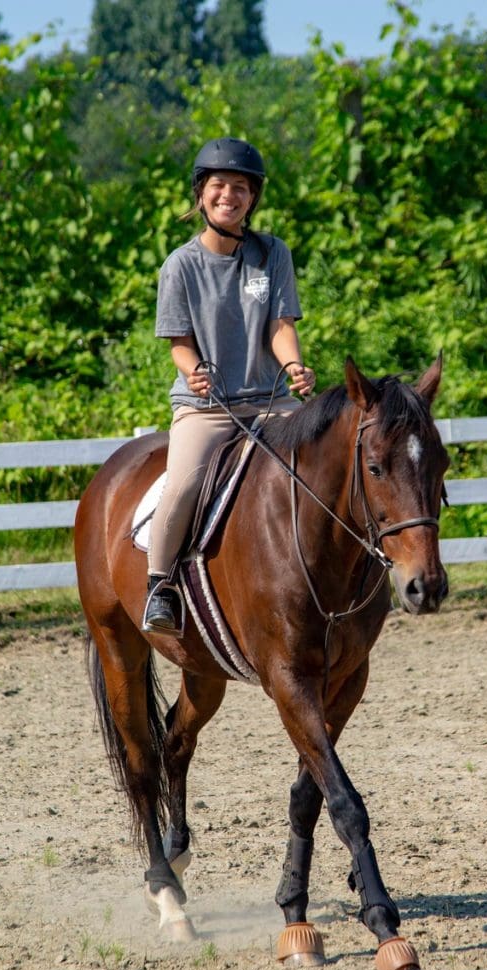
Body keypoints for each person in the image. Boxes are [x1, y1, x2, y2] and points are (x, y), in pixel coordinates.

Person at [144, 137, 316, 634]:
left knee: (321, 466)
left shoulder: (272, 253)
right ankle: (160, 586)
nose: (229, 195)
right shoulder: (180, 265)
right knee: (183, 484)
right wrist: (192, 369)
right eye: (218, 185)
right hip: (208, 406)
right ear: (201, 195)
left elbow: (280, 327)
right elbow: (178, 341)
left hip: (270, 399)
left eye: (240, 187)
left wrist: (296, 366)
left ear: (253, 198)